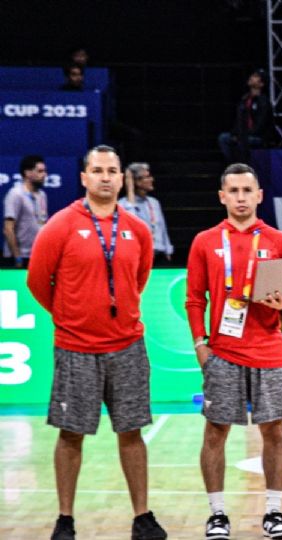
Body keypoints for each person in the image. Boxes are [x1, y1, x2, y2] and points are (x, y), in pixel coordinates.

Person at [26, 145, 167, 540]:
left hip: (127, 346)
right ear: (84, 177)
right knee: (70, 434)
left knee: (132, 430)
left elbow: (138, 280)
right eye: (98, 170)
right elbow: (38, 281)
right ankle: (65, 519)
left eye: (112, 170)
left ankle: (143, 516)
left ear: (122, 179)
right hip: (76, 348)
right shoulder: (60, 225)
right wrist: (71, 315)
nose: (106, 177)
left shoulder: (138, 229)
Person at [185, 163, 282, 540]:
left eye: (246, 191)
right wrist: (200, 344)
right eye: (232, 191)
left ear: (259, 195)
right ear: (222, 196)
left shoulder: (278, 241)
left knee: (275, 431)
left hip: (269, 350)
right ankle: (217, 513)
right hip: (222, 352)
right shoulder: (205, 241)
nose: (239, 197)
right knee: (215, 431)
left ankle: (274, 511)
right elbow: (193, 299)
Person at [120, 163, 174, 265]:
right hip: (138, 257)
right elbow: (131, 225)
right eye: (147, 177)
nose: (152, 179)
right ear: (137, 182)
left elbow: (162, 228)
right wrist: (130, 192)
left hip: (159, 255)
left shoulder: (154, 202)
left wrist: (168, 251)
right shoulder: (123, 204)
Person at [3, 155, 48, 268]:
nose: (44, 175)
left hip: (36, 255)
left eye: (45, 171)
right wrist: (17, 256)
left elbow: (43, 223)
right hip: (18, 257)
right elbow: (8, 229)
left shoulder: (42, 195)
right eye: (40, 171)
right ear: (28, 173)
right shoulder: (15, 194)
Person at [218, 70, 272, 163]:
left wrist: (243, 135)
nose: (251, 77)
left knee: (243, 141)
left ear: (261, 84)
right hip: (243, 134)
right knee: (223, 138)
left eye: (255, 76)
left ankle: (243, 165)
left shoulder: (263, 102)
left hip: (256, 136)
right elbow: (239, 121)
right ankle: (233, 164)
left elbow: (260, 126)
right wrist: (235, 133)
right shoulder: (245, 99)